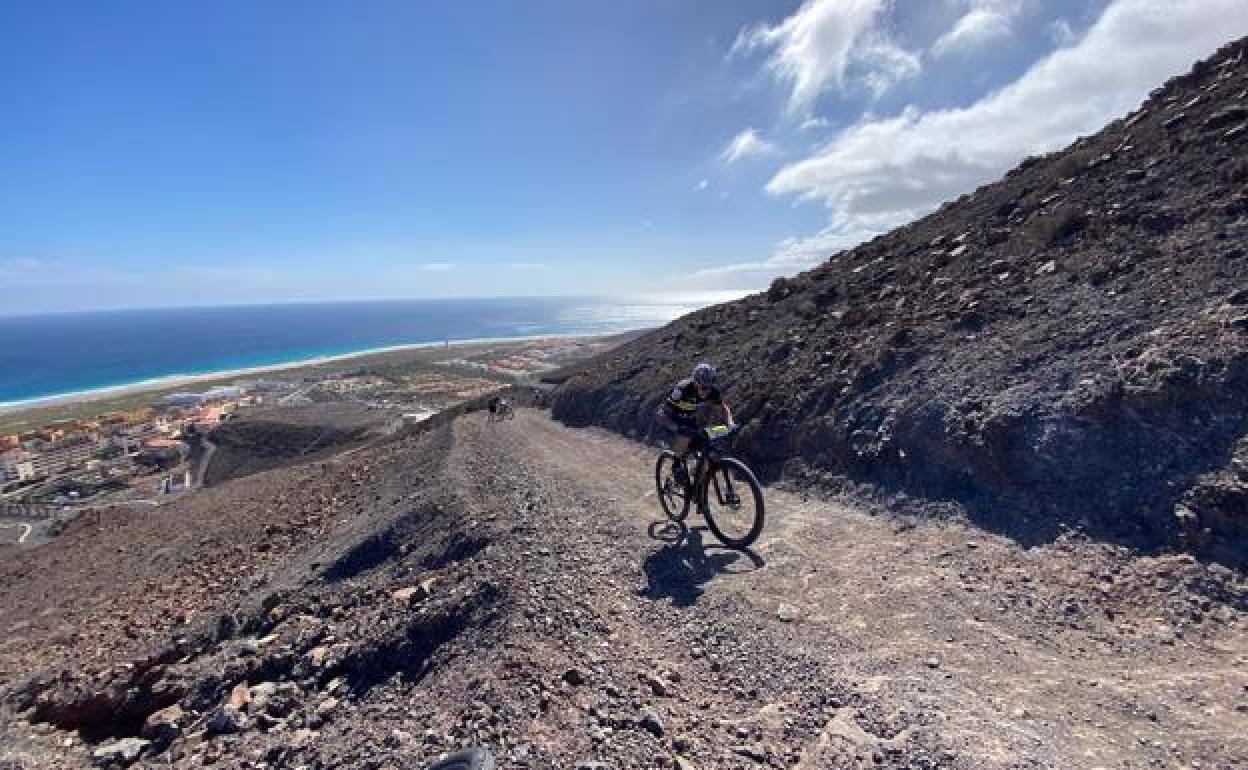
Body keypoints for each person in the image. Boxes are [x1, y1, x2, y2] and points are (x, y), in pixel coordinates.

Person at [655, 362, 734, 489]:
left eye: (709, 387)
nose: (706, 391)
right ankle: (676, 466)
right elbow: (662, 413)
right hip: (670, 420)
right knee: (685, 435)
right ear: (695, 383)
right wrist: (676, 427)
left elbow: (723, 409)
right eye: (703, 387)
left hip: (690, 421)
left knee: (706, 448)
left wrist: (730, 423)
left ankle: (698, 490)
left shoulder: (712, 392)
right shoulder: (682, 389)